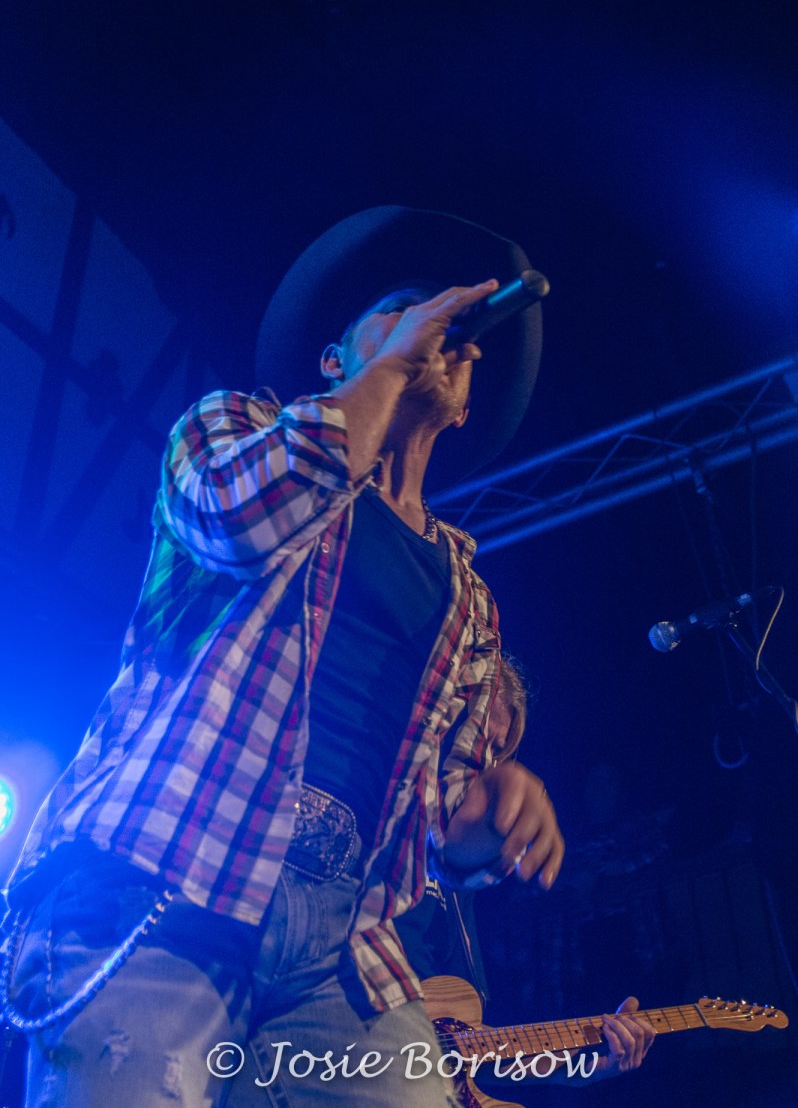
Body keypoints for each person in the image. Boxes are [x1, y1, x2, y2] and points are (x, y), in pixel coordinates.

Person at [1, 206, 564, 1108]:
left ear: (463, 406)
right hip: (167, 875)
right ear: (336, 361)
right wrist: (389, 373)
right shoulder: (232, 426)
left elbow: (428, 818)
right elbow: (237, 517)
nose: (435, 328)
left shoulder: (470, 597)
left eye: (449, 328)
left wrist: (488, 813)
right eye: (400, 308)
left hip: (341, 950)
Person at [397, 656, 655, 1086]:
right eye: (481, 744)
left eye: (500, 753)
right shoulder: (378, 844)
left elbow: (469, 1049)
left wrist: (585, 1068)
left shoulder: (462, 886)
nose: (488, 766)